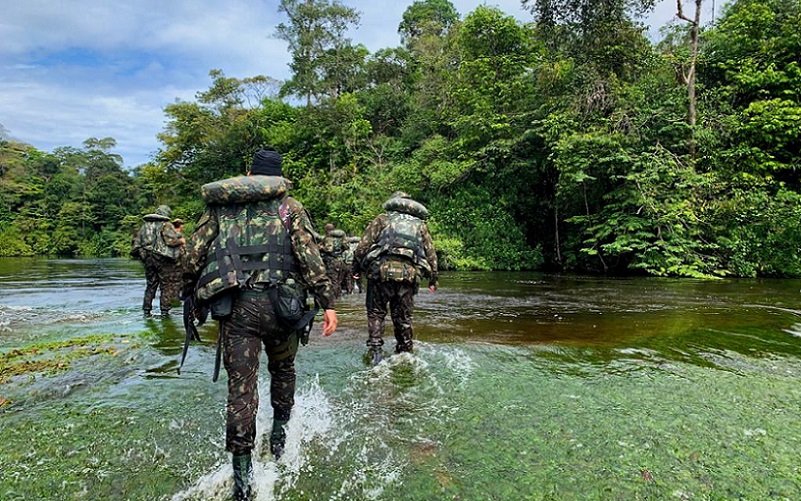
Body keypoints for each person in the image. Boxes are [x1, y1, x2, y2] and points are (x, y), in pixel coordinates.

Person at [182, 148, 338, 501]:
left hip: (237, 310)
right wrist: (327, 302)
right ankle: (280, 437)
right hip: (282, 307)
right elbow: (308, 256)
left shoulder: (221, 207)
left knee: (241, 389)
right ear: (279, 176)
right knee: (283, 370)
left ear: (250, 172)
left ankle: (243, 481)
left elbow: (193, 256)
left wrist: (186, 294)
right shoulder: (289, 208)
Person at [352, 192, 438, 365]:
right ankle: (406, 353)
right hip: (408, 277)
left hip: (380, 275)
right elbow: (431, 255)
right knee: (403, 319)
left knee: (376, 314)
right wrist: (433, 279)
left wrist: (356, 269)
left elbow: (362, 247)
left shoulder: (382, 219)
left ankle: (376, 352)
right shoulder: (420, 225)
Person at [131, 205, 185, 317]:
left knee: (151, 284)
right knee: (166, 284)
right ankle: (164, 311)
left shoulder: (144, 227)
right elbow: (171, 241)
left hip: (147, 258)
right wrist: (181, 241)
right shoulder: (165, 225)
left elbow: (136, 245)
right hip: (161, 258)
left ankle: (146, 310)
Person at [320, 223, 347, 299]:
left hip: (332, 261)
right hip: (340, 261)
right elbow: (346, 247)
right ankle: (339, 298)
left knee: (333, 281)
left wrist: (321, 248)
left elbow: (329, 249)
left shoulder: (328, 238)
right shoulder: (340, 238)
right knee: (338, 281)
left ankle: (334, 299)